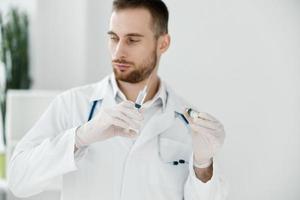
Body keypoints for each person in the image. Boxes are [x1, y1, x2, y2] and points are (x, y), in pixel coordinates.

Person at [8, 0, 228, 199]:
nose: (118, 51)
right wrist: (80, 137)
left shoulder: (189, 122)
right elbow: (18, 180)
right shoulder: (72, 105)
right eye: (113, 38)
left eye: (132, 40)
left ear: (163, 44)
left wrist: (203, 166)